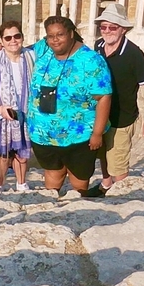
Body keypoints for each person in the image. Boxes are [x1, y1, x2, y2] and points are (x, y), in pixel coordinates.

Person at [27, 16, 112, 196]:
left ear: (71, 33)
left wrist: (97, 133)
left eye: (60, 35)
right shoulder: (44, 49)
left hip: (78, 136)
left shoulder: (91, 60)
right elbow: (14, 49)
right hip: (44, 134)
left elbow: (103, 97)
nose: (55, 39)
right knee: (52, 173)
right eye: (51, 36)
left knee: (78, 178)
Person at [84, 3, 144, 197]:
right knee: (102, 154)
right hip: (101, 115)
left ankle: (123, 196)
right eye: (104, 27)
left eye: (112, 27)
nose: (107, 31)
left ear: (123, 29)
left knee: (118, 162)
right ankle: (105, 185)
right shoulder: (99, 45)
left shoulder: (134, 54)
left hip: (122, 118)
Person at [0, 20, 35, 194]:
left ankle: (21, 183)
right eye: (8, 37)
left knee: (22, 150)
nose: (13, 40)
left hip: (25, 113)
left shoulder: (31, 57)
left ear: (22, 37)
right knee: (1, 153)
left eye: (17, 36)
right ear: (2, 41)